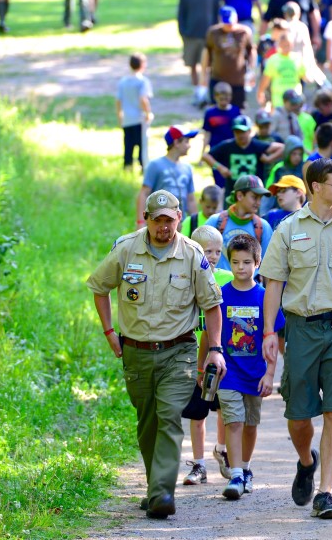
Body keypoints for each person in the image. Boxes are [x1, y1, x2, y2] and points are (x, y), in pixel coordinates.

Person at [86, 190, 224, 519]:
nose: (164, 227)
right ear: (147, 219)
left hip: (179, 349)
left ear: (179, 218)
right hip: (136, 351)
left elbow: (212, 305)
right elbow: (98, 287)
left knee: (169, 416)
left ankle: (162, 492)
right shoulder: (126, 249)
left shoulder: (191, 254)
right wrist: (109, 333)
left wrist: (215, 349)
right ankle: (154, 486)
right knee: (148, 421)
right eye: (157, 220)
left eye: (170, 220)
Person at [260, 158, 332, 521]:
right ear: (314, 187)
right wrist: (268, 332)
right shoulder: (288, 229)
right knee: (298, 414)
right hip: (301, 328)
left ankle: (325, 493)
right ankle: (306, 461)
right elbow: (274, 283)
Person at [215, 234, 284, 499]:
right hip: (228, 372)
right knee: (234, 420)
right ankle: (235, 474)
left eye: (246, 262)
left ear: (258, 262)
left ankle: (245, 467)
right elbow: (211, 334)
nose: (240, 268)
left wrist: (269, 374)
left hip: (255, 373)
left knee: (251, 424)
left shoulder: (266, 297)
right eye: (235, 262)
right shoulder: (221, 295)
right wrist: (202, 368)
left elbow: (273, 339)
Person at [181, 224, 234, 487]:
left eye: (216, 251)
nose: (212, 256)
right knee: (197, 412)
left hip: (221, 356)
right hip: (193, 356)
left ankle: (223, 449)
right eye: (206, 251)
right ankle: (198, 464)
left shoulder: (228, 278)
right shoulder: (185, 278)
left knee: (224, 408)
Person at [203, 115, 284, 197]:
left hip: (254, 193)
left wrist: (269, 159)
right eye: (237, 132)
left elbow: (282, 147)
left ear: (249, 131)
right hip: (232, 192)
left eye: (243, 131)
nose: (240, 135)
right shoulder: (228, 146)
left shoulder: (257, 145)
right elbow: (206, 156)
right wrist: (220, 168)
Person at [204, 175, 274, 270]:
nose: (259, 203)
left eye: (260, 199)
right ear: (240, 196)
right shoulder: (215, 222)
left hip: (250, 284)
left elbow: (268, 266)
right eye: (254, 197)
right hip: (219, 284)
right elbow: (198, 257)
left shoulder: (263, 226)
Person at [137, 125, 198, 228]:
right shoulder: (156, 165)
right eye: (186, 141)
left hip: (181, 224)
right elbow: (144, 193)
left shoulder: (187, 168)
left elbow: (190, 199)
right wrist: (140, 222)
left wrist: (195, 223)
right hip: (159, 222)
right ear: (176, 142)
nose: (189, 146)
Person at [178, 0, 220, 91]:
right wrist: (183, 31)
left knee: (207, 63)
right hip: (191, 34)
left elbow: (215, 13)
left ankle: (204, 86)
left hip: (207, 34)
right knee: (191, 62)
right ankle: (195, 85)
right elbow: (181, 14)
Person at [204, 6, 256, 110]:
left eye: (231, 23)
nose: (229, 26)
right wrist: (203, 74)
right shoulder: (213, 32)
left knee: (237, 109)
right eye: (226, 23)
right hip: (218, 77)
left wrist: (252, 70)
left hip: (238, 79)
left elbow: (251, 51)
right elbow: (206, 53)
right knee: (217, 109)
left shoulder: (244, 32)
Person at [116, 52, 153, 172]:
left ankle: (127, 168)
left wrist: (120, 116)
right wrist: (148, 113)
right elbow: (143, 99)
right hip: (139, 119)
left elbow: (118, 100)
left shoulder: (123, 81)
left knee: (128, 146)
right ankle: (143, 169)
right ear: (142, 65)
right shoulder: (143, 81)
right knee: (142, 147)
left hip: (127, 119)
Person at [202, 82, 242, 190]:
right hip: (216, 152)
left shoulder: (235, 111)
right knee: (219, 179)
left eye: (227, 98)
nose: (224, 101)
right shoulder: (210, 113)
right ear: (215, 97)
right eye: (221, 98)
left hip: (232, 151)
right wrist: (203, 151)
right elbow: (207, 133)